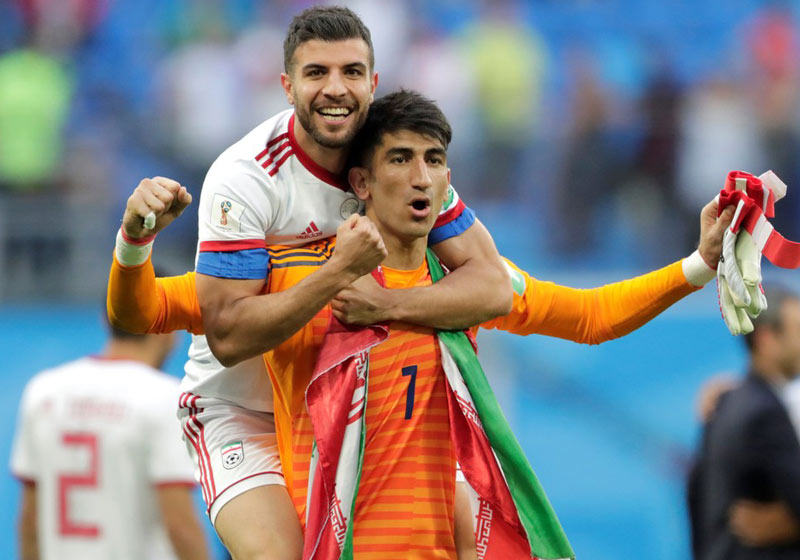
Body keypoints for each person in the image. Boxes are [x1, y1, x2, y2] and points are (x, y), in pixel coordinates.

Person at [110, 90, 733, 557]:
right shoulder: (300, 276)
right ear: (361, 181)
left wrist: (699, 264)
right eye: (401, 158)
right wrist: (134, 244)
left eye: (434, 160)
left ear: (448, 180)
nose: (421, 177)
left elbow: (591, 316)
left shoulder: (468, 286)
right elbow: (145, 312)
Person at [112, 7, 510, 558]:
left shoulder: (399, 160)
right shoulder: (248, 176)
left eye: (351, 72)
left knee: (471, 539)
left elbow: (492, 287)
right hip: (243, 409)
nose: (336, 89)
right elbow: (228, 336)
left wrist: (386, 304)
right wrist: (338, 272)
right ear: (287, 85)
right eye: (316, 73)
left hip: (347, 405)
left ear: (373, 81)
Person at [9, 312, 209, 560]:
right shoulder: (164, 397)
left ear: (107, 320)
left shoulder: (43, 392)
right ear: (169, 330)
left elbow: (30, 521)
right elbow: (180, 526)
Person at [688, 286, 800, 559]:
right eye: (798, 332)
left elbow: (696, 494)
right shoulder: (764, 412)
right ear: (766, 339)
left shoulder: (726, 403)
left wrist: (791, 526)